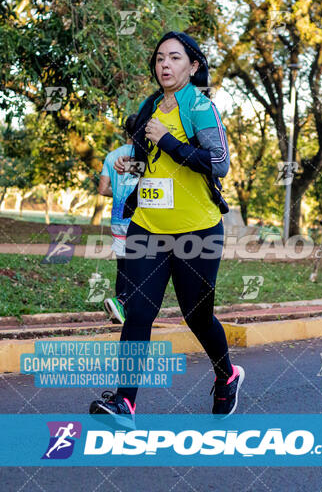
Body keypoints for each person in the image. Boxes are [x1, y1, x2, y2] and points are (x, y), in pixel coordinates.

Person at [90, 31, 245, 422]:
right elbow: (154, 164)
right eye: (160, 58)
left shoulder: (200, 107)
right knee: (139, 311)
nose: (165, 65)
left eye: (175, 58)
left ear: (192, 66)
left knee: (197, 316)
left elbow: (219, 162)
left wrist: (172, 141)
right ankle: (125, 402)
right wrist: (133, 165)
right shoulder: (150, 107)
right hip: (149, 226)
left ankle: (227, 375)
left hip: (198, 231)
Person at [98, 114, 138, 323]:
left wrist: (121, 192)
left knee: (122, 265)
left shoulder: (112, 155)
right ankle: (124, 303)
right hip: (138, 218)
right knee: (139, 265)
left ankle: (118, 309)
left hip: (117, 219)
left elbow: (103, 189)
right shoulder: (144, 155)